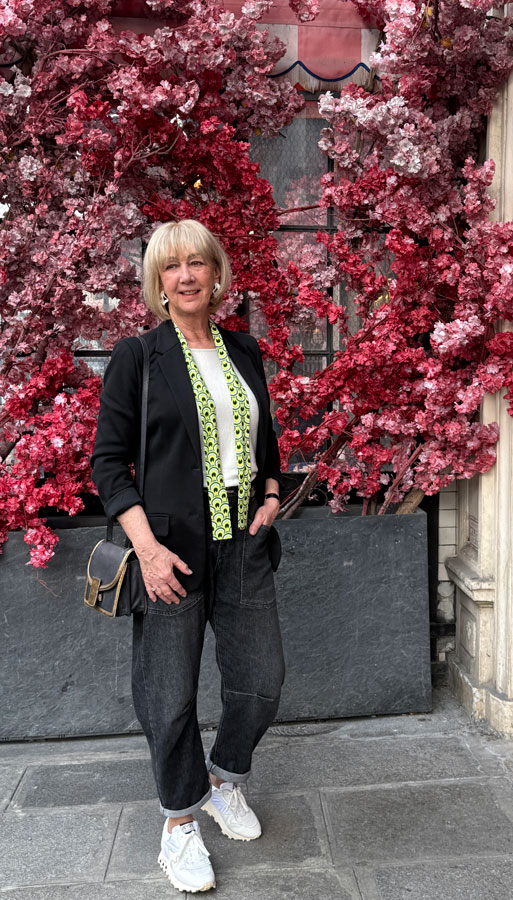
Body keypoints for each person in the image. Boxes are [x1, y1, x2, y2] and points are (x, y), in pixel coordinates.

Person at [91, 219, 285, 893]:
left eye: (197, 262)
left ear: (216, 272)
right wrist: (145, 549)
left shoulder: (244, 350)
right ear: (157, 281)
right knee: (169, 697)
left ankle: (222, 778)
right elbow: (107, 464)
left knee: (262, 682)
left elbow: (266, 440)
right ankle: (178, 824)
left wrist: (269, 493)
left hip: (243, 545)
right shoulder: (138, 357)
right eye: (171, 266)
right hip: (169, 550)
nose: (186, 276)